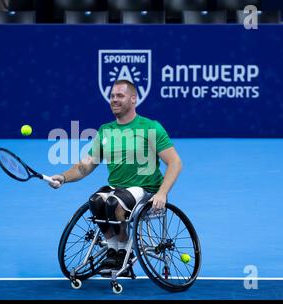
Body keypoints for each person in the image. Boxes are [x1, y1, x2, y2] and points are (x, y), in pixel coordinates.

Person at [48, 79, 183, 271]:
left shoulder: (151, 127)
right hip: (118, 189)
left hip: (146, 190)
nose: (114, 100)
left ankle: (125, 249)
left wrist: (162, 193)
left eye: (120, 95)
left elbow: (175, 163)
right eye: (112, 96)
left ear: (133, 99)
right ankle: (114, 249)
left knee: (113, 203)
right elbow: (84, 166)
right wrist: (63, 177)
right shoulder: (105, 130)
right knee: (96, 201)